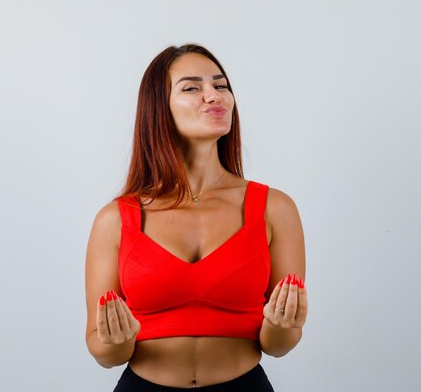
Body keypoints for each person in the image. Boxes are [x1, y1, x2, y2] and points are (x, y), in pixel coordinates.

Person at [84, 43, 307, 391]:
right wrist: (117, 342)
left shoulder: (275, 209)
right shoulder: (115, 219)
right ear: (159, 108)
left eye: (221, 86)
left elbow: (278, 345)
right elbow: (103, 352)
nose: (214, 96)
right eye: (192, 88)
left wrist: (281, 328)